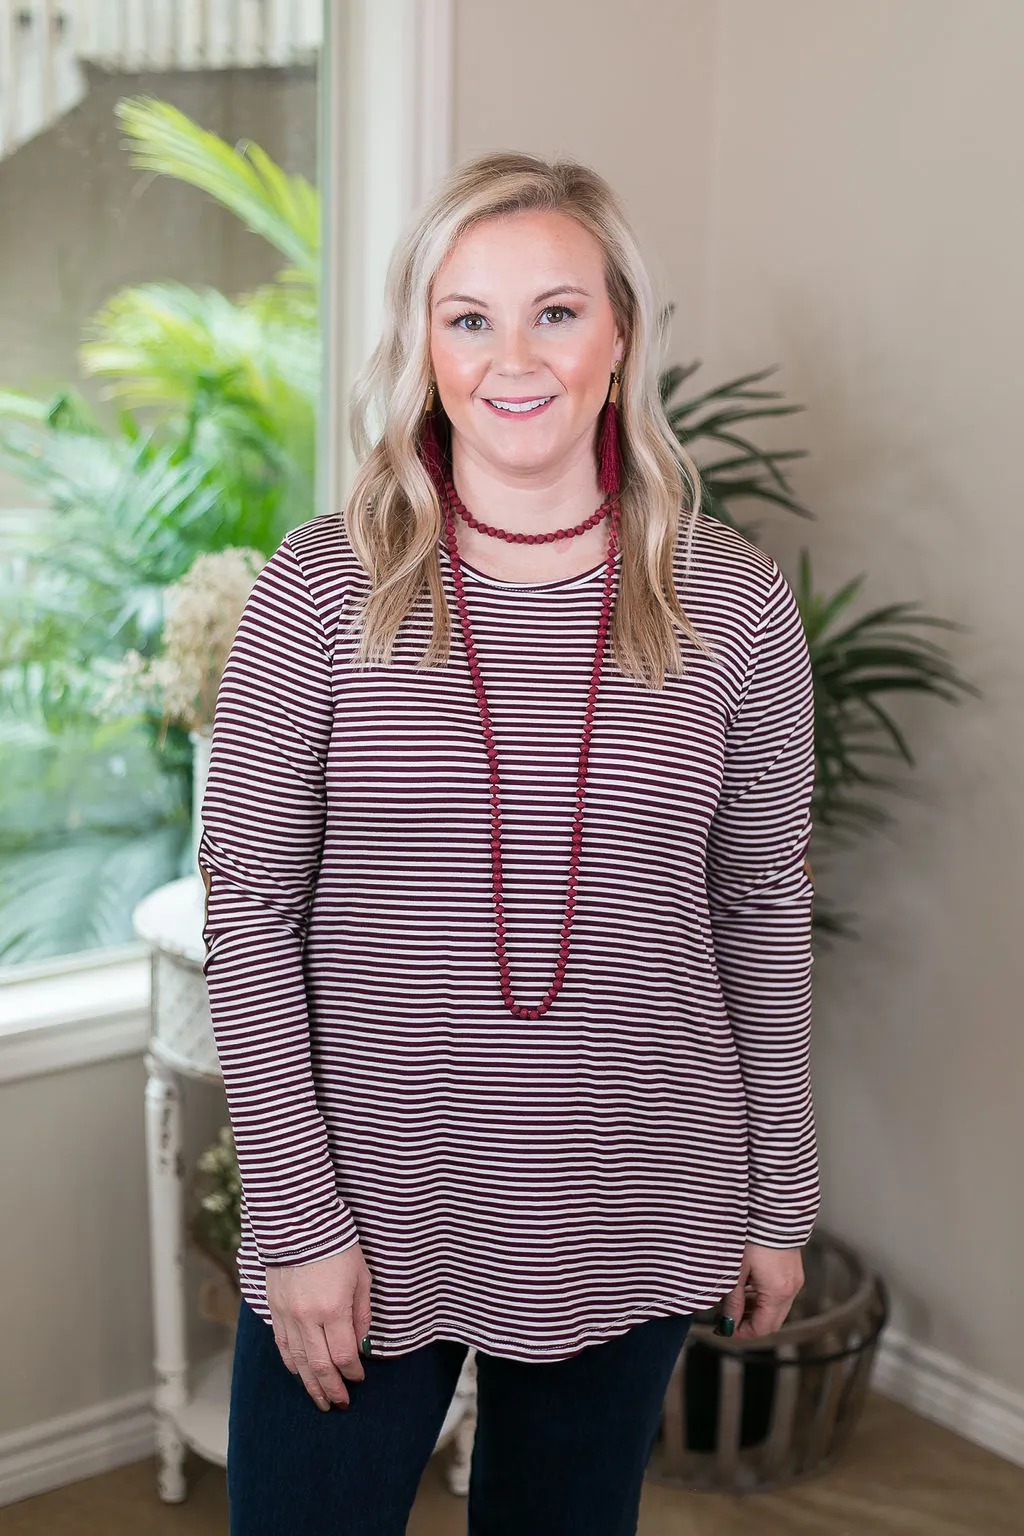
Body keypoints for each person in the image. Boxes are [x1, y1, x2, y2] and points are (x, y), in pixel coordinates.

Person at [198, 149, 819, 1535]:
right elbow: (247, 913)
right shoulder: (322, 588)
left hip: (640, 1190)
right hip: (366, 1208)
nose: (510, 357)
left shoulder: (735, 603)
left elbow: (762, 906)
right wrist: (297, 1221)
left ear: (620, 340)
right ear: (422, 347)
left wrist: (780, 1193)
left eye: (556, 311)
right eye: (466, 316)